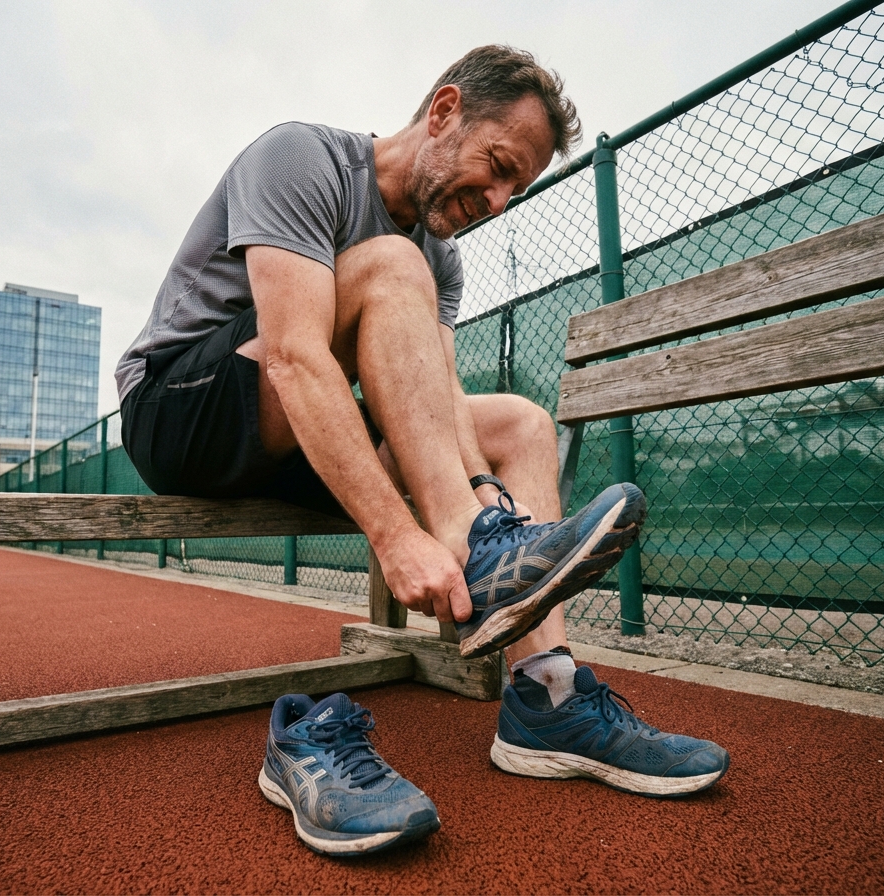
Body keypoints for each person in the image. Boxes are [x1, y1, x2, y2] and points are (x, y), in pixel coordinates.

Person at [117, 45, 728, 856]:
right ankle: (474, 548)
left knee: (522, 425)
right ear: (443, 113)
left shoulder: (441, 257)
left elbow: (434, 392)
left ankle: (547, 700)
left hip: (309, 422)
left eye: (519, 187)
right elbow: (296, 356)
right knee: (387, 263)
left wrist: (483, 488)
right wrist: (396, 535)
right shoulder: (302, 157)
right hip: (182, 411)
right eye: (498, 165)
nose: (502, 199)